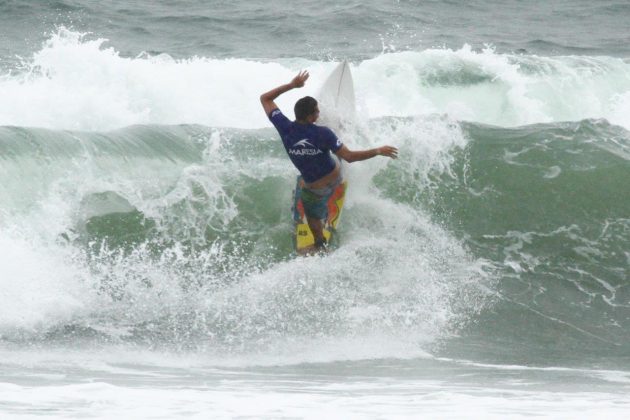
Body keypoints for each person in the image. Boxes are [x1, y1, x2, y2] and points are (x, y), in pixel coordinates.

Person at [260, 70, 398, 250]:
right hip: (336, 176)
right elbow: (349, 157)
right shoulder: (323, 133)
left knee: (312, 216)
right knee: (335, 148)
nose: (318, 114)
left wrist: (292, 85)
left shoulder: (284, 127)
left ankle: (319, 242)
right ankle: (340, 130)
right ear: (310, 117)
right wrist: (378, 150)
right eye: (317, 112)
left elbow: (265, 99)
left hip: (315, 190)